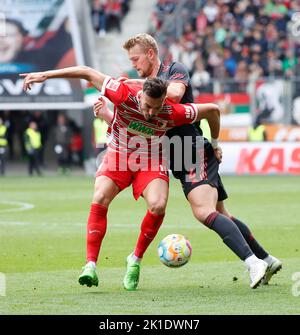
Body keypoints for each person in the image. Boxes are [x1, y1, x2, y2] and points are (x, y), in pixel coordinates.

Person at [21, 67, 221, 292]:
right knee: (99, 197)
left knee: (158, 205)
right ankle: (90, 266)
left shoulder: (173, 111)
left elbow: (213, 111)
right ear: (140, 95)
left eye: (156, 108)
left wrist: (214, 144)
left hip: (151, 160)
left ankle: (135, 260)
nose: (150, 113)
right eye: (146, 106)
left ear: (164, 101)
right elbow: (86, 72)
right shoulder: (122, 93)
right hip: (119, 155)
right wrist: (45, 75)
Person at [111, 33, 281, 289]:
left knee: (204, 212)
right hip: (178, 154)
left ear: (150, 54)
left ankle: (252, 262)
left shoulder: (173, 69)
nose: (134, 65)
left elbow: (178, 95)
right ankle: (266, 259)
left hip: (190, 149)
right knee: (222, 214)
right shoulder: (145, 88)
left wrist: (214, 143)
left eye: (135, 59)